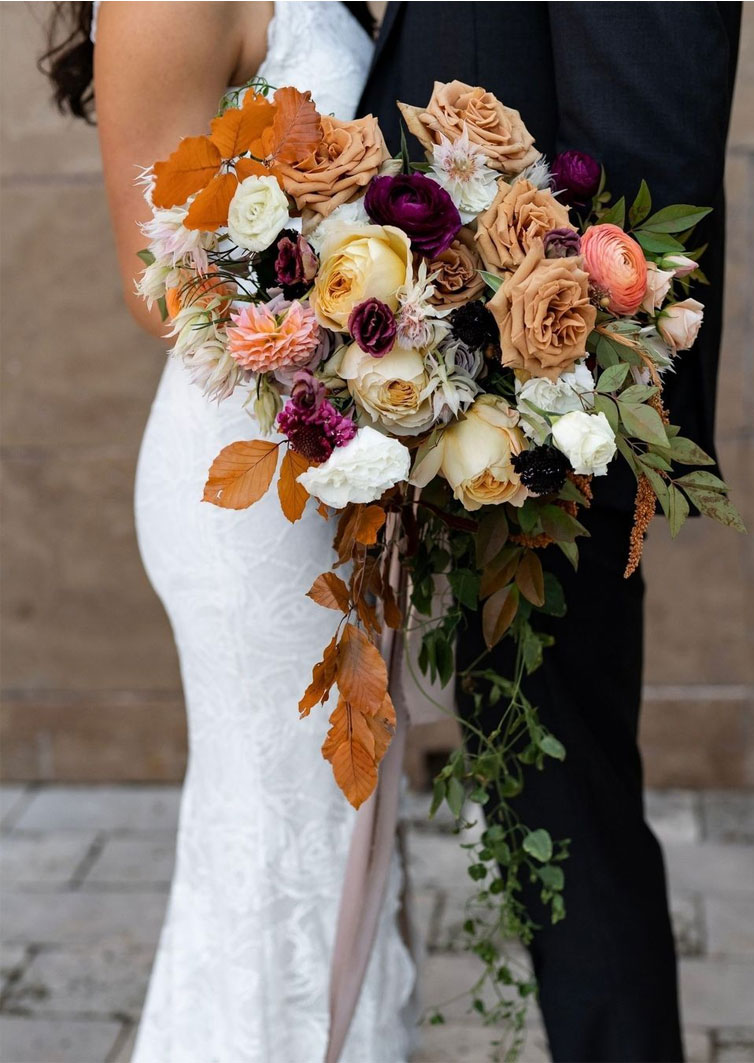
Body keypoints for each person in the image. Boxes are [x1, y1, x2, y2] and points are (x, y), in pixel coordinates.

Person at [357, 4, 741, 1062]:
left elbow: (646, 128)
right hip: (471, 414)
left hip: (545, 434)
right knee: (548, 792)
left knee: (569, 809)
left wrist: (568, 422)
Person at [41, 4, 415, 1062]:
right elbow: (154, 279)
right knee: (278, 838)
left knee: (336, 839)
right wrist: (375, 327)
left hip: (336, 454)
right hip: (247, 483)